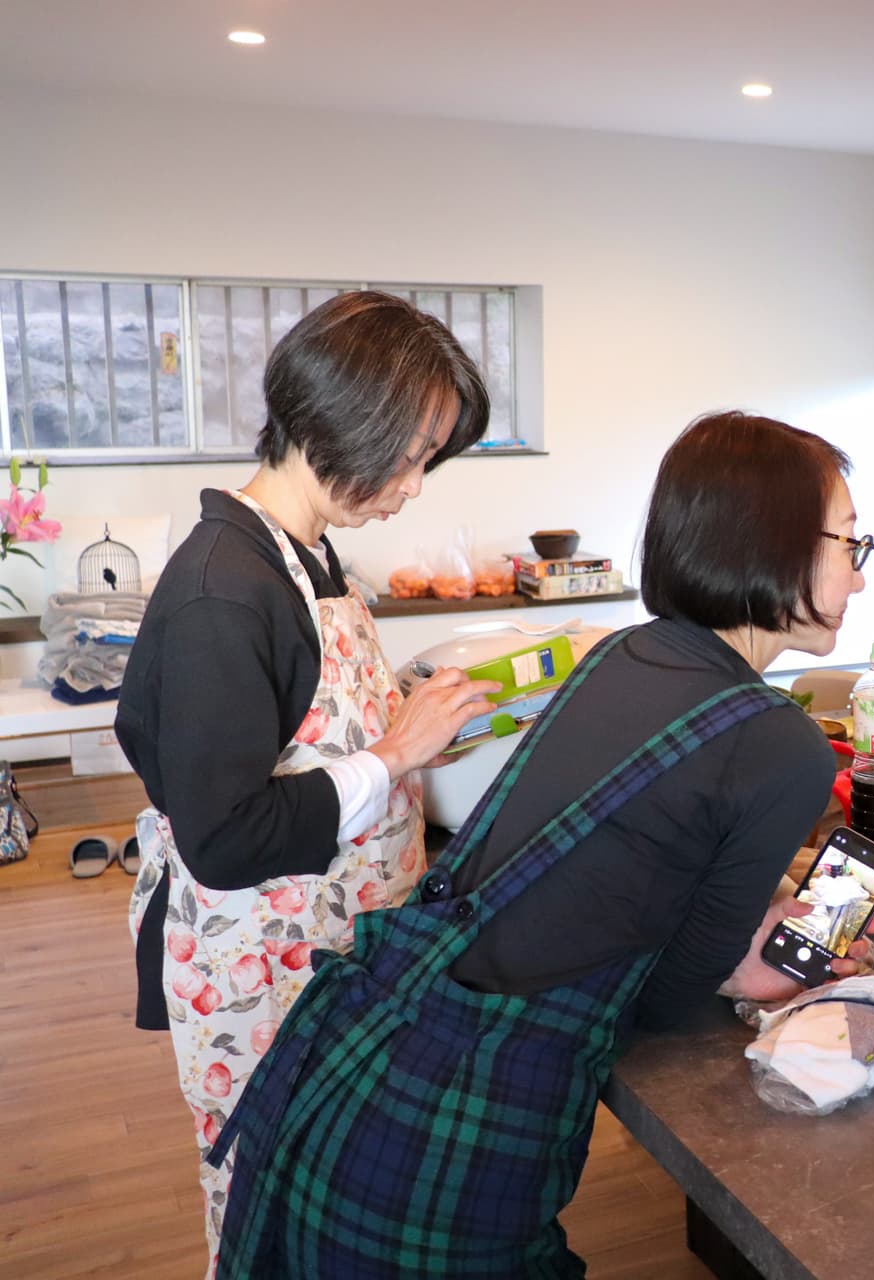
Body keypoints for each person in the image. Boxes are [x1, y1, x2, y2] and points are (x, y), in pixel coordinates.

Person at [206, 411, 874, 1277]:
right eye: (850, 544)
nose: (860, 574)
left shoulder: (623, 654)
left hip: (356, 1067)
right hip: (449, 1138)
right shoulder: (780, 745)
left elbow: (620, 863)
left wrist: (735, 925)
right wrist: (742, 966)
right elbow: (666, 999)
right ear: (775, 544)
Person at [117, 290, 501, 1271]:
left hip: (329, 945)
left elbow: (311, 731)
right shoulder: (223, 590)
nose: (414, 487)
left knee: (329, 1186)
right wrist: (392, 755)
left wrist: (419, 731)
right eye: (408, 456)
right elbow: (225, 835)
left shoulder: (310, 555)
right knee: (265, 1203)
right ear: (334, 422)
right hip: (260, 964)